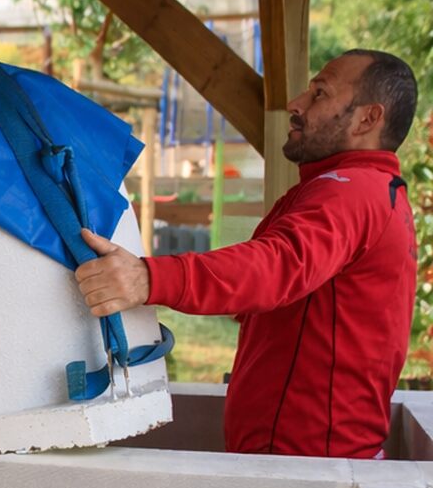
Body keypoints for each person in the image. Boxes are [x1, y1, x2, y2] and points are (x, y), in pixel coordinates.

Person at [75, 49, 419, 459]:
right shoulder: (368, 191)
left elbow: (274, 267)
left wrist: (147, 279)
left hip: (307, 465)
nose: (296, 104)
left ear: (368, 119)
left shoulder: (351, 192)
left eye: (320, 93)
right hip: (308, 457)